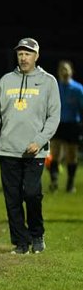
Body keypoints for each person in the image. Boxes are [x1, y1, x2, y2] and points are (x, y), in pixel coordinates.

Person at [0, 38, 60, 255]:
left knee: (32, 193)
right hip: (8, 150)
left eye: (28, 53)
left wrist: (40, 140)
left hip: (35, 151)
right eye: (20, 54)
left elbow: (54, 117)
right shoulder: (6, 81)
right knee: (13, 199)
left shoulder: (48, 82)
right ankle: (21, 242)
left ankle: (37, 234)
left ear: (36, 56)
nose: (23, 57)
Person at [48, 59, 83, 193]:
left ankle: (70, 183)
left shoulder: (78, 89)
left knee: (71, 155)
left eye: (66, 69)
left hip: (73, 125)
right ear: (58, 72)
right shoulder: (54, 87)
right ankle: (54, 181)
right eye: (62, 69)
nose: (64, 72)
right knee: (55, 153)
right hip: (57, 124)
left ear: (71, 72)